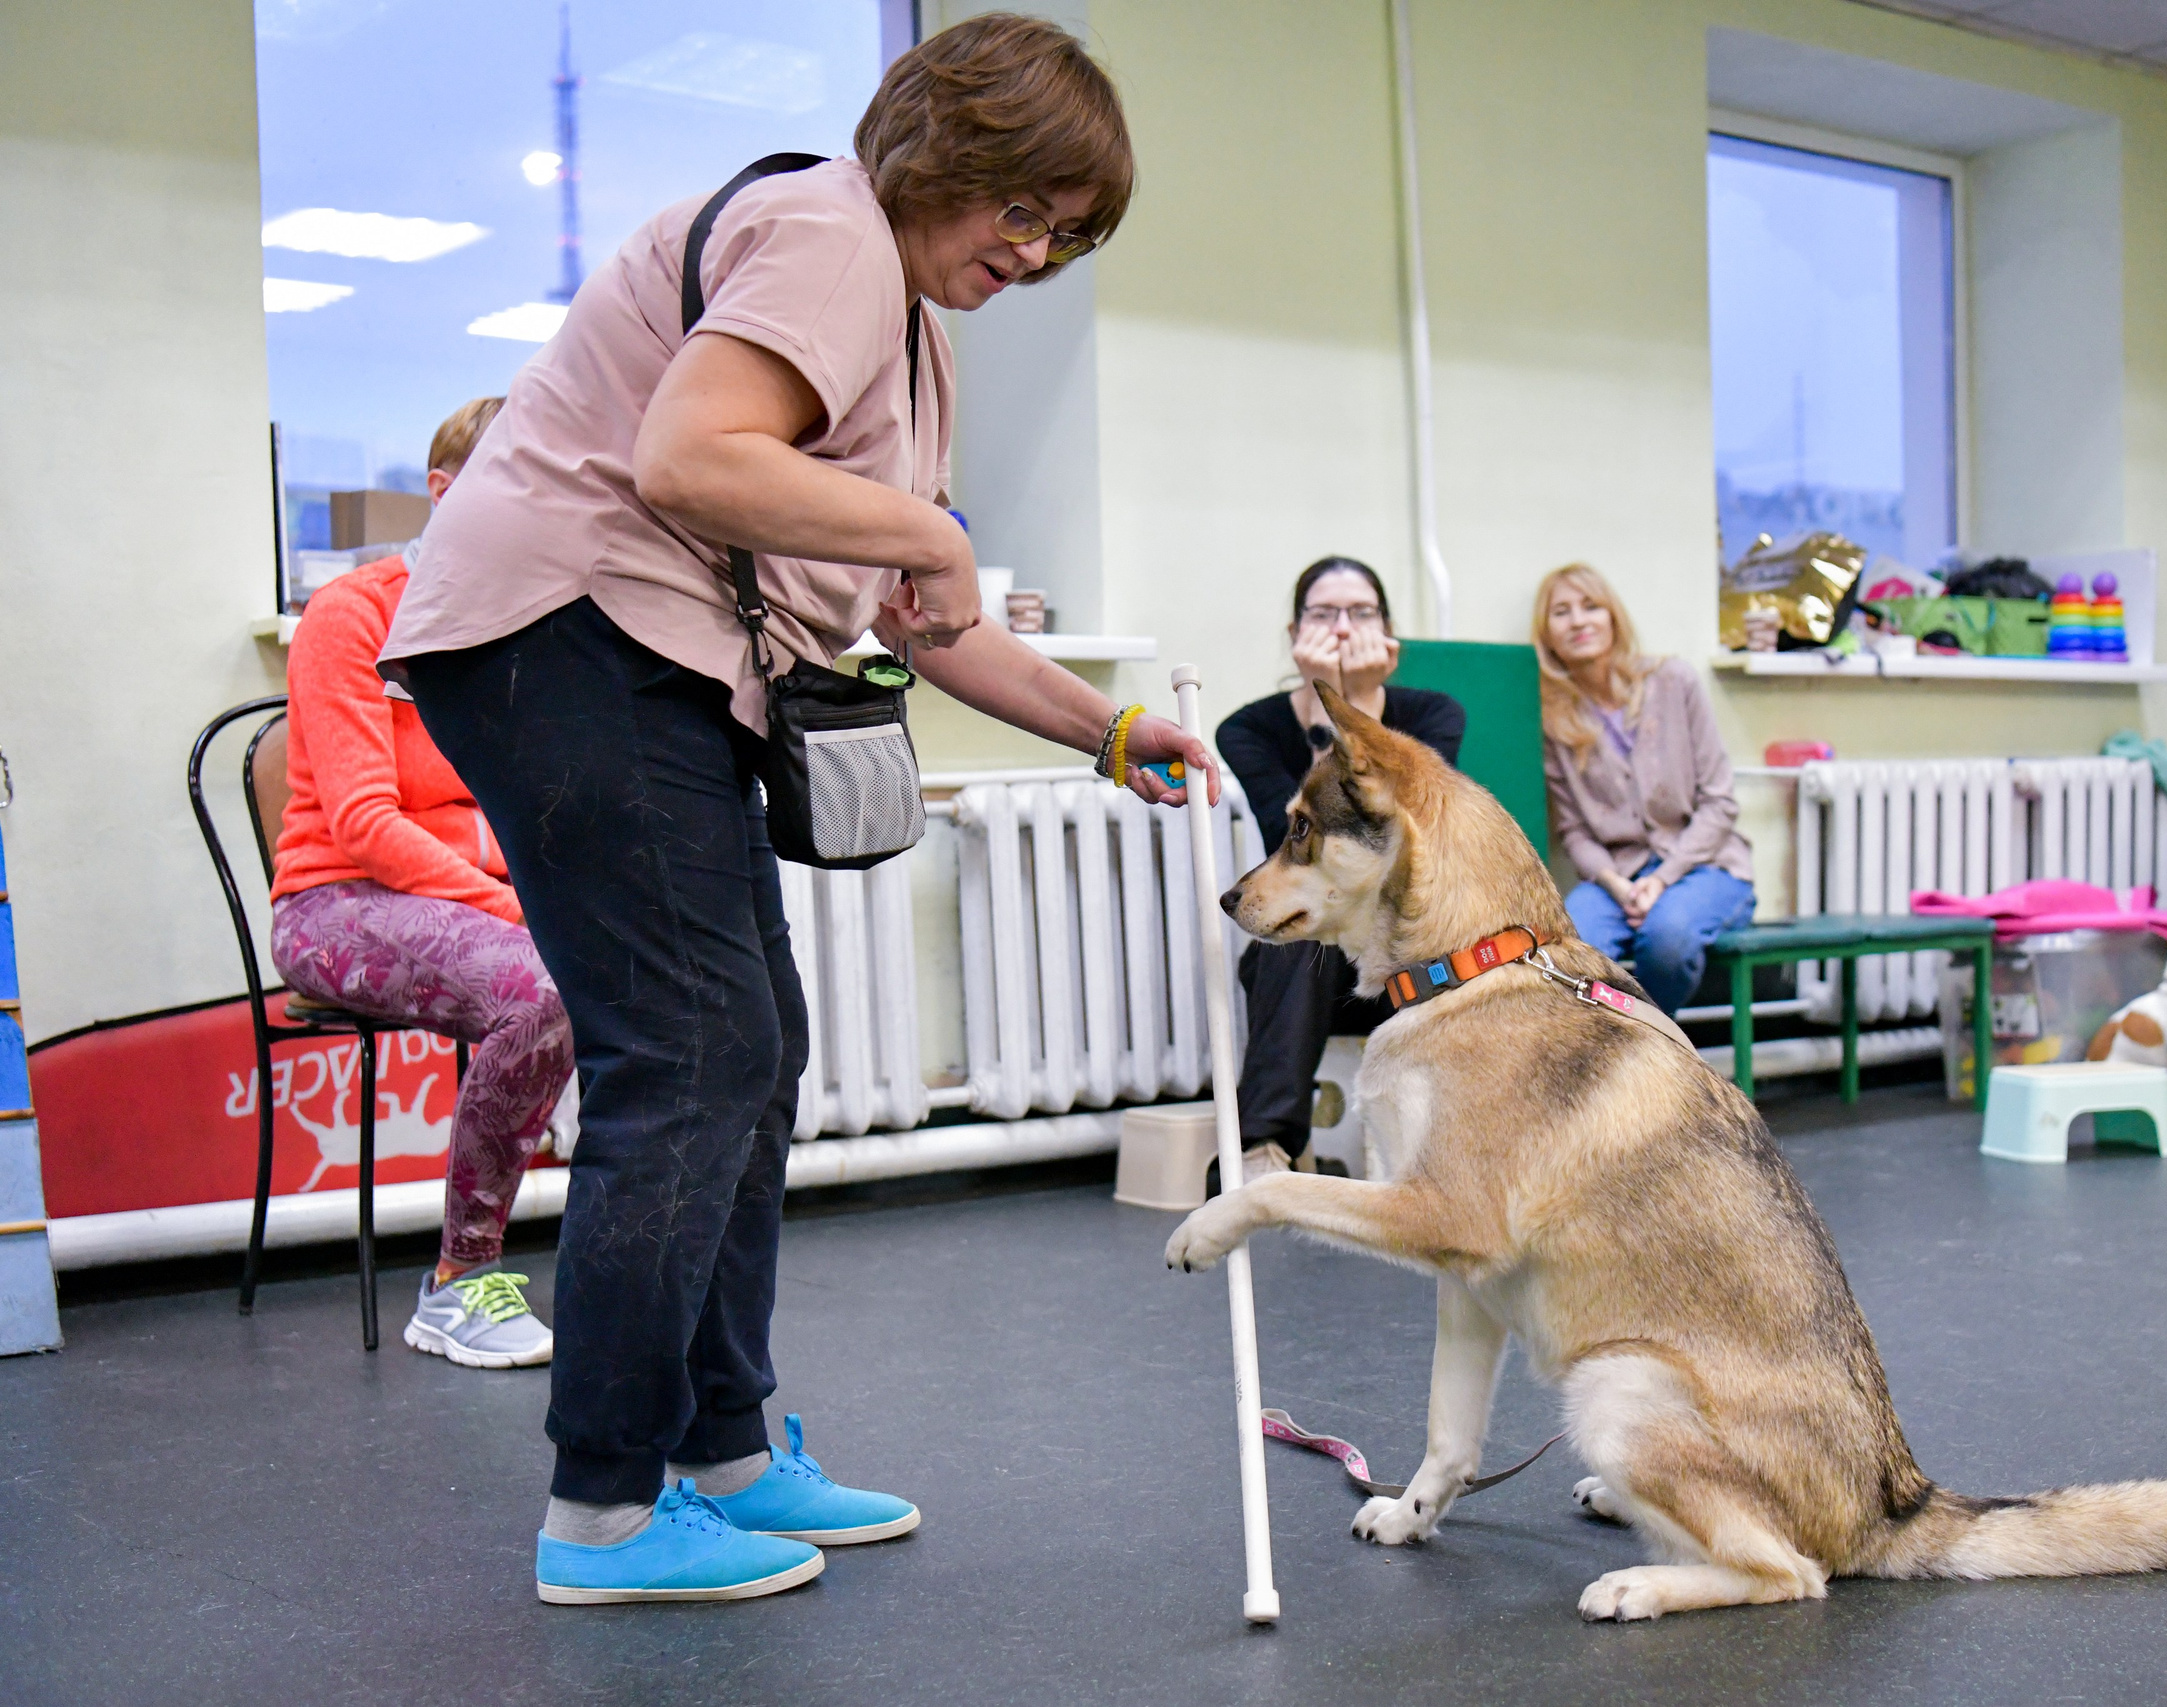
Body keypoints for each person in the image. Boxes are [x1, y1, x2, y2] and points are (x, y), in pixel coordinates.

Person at [379, 15, 1213, 1605]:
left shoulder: (911, 335)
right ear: (939, 151)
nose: (1032, 251)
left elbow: (929, 617)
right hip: (570, 633)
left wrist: (1108, 730)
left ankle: (729, 1451)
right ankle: (605, 1514)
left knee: (753, 1047)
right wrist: (926, 526)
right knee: (694, 1051)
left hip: (655, 663)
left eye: (1066, 235)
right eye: (1020, 209)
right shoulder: (830, 230)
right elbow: (690, 459)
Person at [269, 396, 568, 1371]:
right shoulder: (353, 613)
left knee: (657, 980)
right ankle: (458, 1279)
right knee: (552, 990)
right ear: (442, 493)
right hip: (336, 904)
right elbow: (366, 824)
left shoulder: (533, 627)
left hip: (474, 899)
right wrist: (521, 904)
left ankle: (641, 1276)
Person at [1217, 557, 1464, 1179]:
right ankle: (1261, 1153)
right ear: (1295, 633)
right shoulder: (1248, 728)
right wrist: (1337, 708)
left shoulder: (1436, 715)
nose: (1344, 628)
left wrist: (1352, 707)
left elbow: (1401, 839)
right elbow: (1310, 845)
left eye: (1361, 613)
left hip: (1413, 945)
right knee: (1304, 922)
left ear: (1388, 634)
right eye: (1324, 614)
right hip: (1310, 973)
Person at [1537, 563, 1755, 1014]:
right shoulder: (1553, 719)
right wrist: (1617, 885)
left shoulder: (1674, 681)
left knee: (1668, 940)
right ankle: (1624, 1058)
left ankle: (1656, 1047)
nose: (1579, 621)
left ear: (1612, 617)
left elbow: (1720, 801)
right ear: (1547, 635)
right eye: (1561, 612)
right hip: (1616, 874)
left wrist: (1662, 879)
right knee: (1572, 950)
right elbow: (1574, 831)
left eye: (1590, 606)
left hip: (1704, 865)